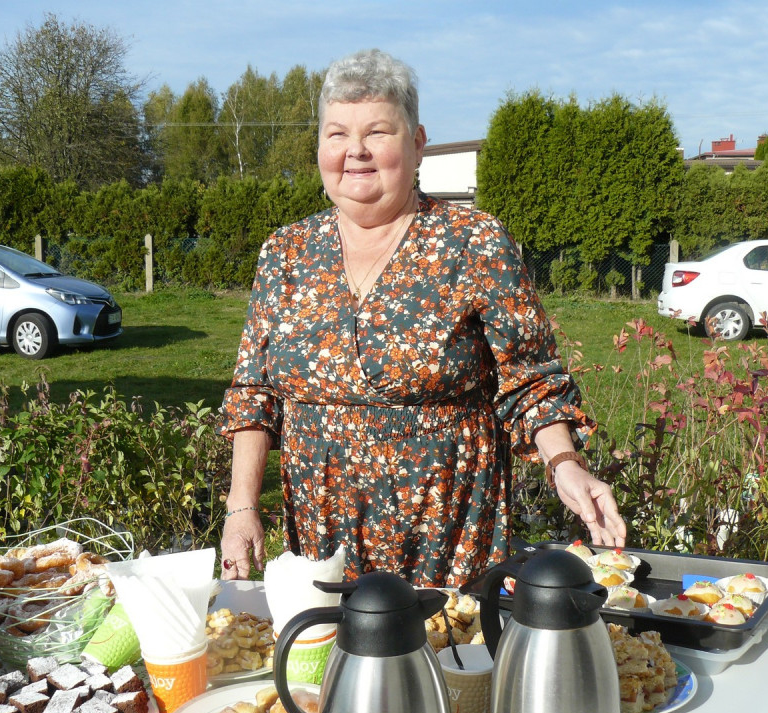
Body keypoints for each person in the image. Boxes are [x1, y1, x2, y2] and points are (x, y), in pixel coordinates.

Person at [218, 49, 625, 587]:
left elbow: (531, 380)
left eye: (378, 132)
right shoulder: (285, 252)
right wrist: (241, 506)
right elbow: (255, 391)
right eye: (337, 133)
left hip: (447, 532)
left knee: (448, 663)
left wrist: (563, 463)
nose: (355, 151)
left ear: (417, 144)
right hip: (319, 537)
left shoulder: (473, 241)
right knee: (327, 663)